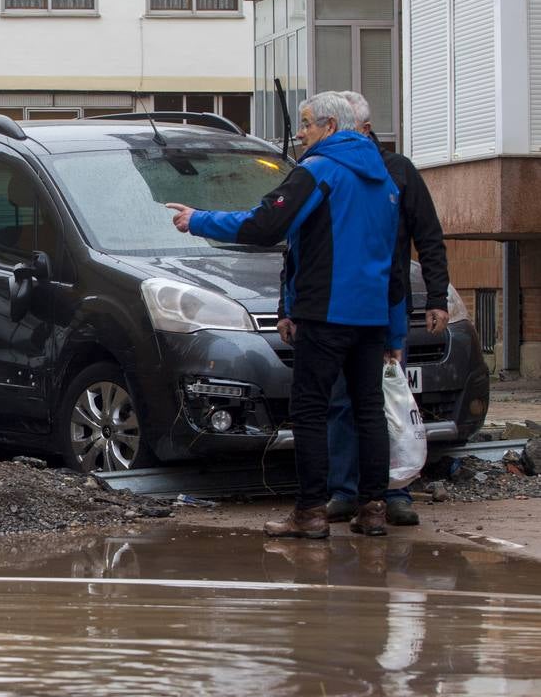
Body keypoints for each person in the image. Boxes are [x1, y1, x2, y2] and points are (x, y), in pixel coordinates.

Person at [165, 91, 402, 540]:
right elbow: (391, 259)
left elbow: (265, 225)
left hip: (326, 312)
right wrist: (394, 328)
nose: (301, 133)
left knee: (310, 410)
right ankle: (373, 508)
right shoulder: (385, 181)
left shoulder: (319, 171)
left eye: (308, 123)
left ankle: (310, 512)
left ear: (331, 127)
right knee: (368, 410)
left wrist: (198, 220)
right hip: (369, 318)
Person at [324, 90, 451, 528]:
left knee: (390, 400)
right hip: (341, 306)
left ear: (364, 129)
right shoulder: (330, 172)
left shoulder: (397, 172)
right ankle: (344, 490)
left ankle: (395, 491)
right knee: (342, 401)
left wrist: (437, 298)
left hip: (388, 304)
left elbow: (428, 236)